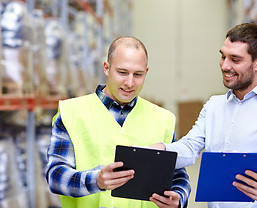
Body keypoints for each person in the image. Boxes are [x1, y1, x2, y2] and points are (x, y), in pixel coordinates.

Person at [152, 23, 257, 208]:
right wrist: (160, 151)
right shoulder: (214, 105)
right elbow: (189, 148)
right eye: (223, 56)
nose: (225, 66)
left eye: (235, 60)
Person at [46, 36, 191, 208]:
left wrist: (179, 198)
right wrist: (97, 180)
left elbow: (178, 176)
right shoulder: (72, 113)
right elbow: (55, 177)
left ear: (146, 71)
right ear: (106, 68)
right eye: (122, 72)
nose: (130, 83)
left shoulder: (163, 119)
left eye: (138, 74)